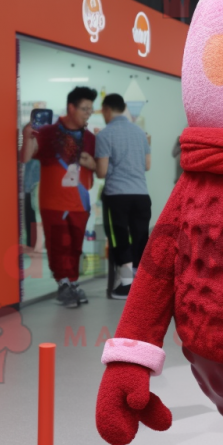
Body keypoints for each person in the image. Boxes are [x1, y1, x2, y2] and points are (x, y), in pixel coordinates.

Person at [21, 87, 97, 306]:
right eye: (84, 109)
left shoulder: (89, 138)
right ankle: (62, 283)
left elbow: (97, 168)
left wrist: (90, 163)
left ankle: (72, 282)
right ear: (71, 108)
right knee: (58, 244)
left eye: (90, 109)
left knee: (76, 246)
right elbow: (26, 158)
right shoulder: (48, 133)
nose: (88, 113)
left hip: (80, 202)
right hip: (53, 202)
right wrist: (27, 136)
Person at [95, 93, 152, 299]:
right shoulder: (140, 133)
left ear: (107, 110)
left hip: (117, 195)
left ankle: (126, 284)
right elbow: (147, 165)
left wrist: (90, 162)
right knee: (140, 236)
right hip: (141, 194)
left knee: (119, 237)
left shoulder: (104, 135)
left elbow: (101, 171)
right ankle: (140, 284)